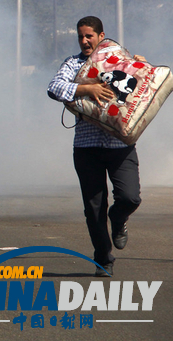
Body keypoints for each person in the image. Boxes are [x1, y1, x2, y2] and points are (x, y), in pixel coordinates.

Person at [47, 16, 143, 277]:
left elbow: (146, 83)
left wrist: (142, 67)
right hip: (87, 146)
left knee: (130, 197)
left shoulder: (120, 59)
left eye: (89, 35)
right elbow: (54, 87)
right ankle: (103, 258)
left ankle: (119, 218)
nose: (84, 40)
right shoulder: (74, 64)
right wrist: (87, 88)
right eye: (80, 36)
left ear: (101, 36)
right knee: (94, 208)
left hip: (120, 143)